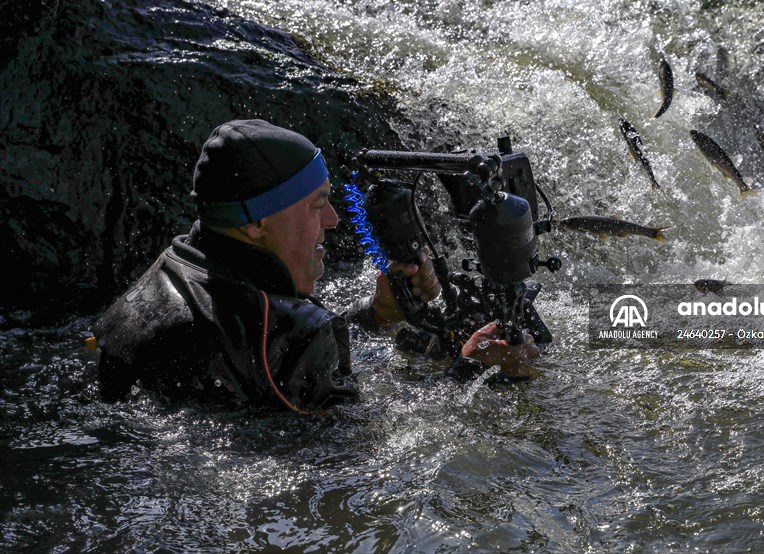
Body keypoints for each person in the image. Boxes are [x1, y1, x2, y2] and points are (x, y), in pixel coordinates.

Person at [90, 119, 540, 412]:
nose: (334, 220)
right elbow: (359, 460)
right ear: (256, 224)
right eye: (317, 204)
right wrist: (471, 372)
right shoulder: (295, 330)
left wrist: (376, 318)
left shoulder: (172, 267)